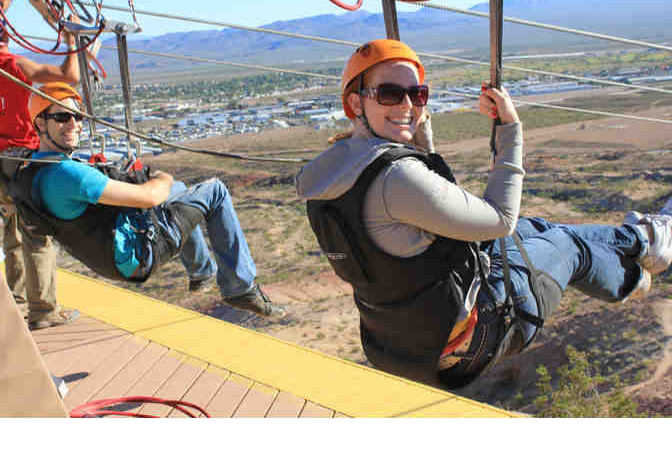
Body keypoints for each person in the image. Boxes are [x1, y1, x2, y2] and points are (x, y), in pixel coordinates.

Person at [296, 38, 672, 389]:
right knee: (564, 244)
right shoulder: (397, 177)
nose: (407, 105)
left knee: (534, 228)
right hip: (476, 337)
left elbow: (417, 212)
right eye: (390, 94)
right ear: (356, 103)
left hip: (402, 344)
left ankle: (642, 238)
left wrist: (418, 140)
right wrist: (510, 129)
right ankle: (635, 275)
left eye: (417, 94)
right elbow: (499, 219)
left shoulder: (327, 175)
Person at [9, 82, 286, 323]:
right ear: (40, 123)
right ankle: (240, 288)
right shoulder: (69, 175)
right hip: (138, 255)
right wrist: (161, 177)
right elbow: (151, 196)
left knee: (181, 190)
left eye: (77, 117)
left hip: (106, 256)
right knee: (214, 191)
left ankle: (201, 272)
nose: (73, 125)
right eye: (62, 117)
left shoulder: (29, 169)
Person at [1, 0, 81, 330]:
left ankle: (17, 303)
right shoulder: (13, 66)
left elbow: (0, 8)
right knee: (37, 235)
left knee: (13, 234)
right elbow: (70, 76)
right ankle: (44, 311)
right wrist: (72, 38)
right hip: (20, 158)